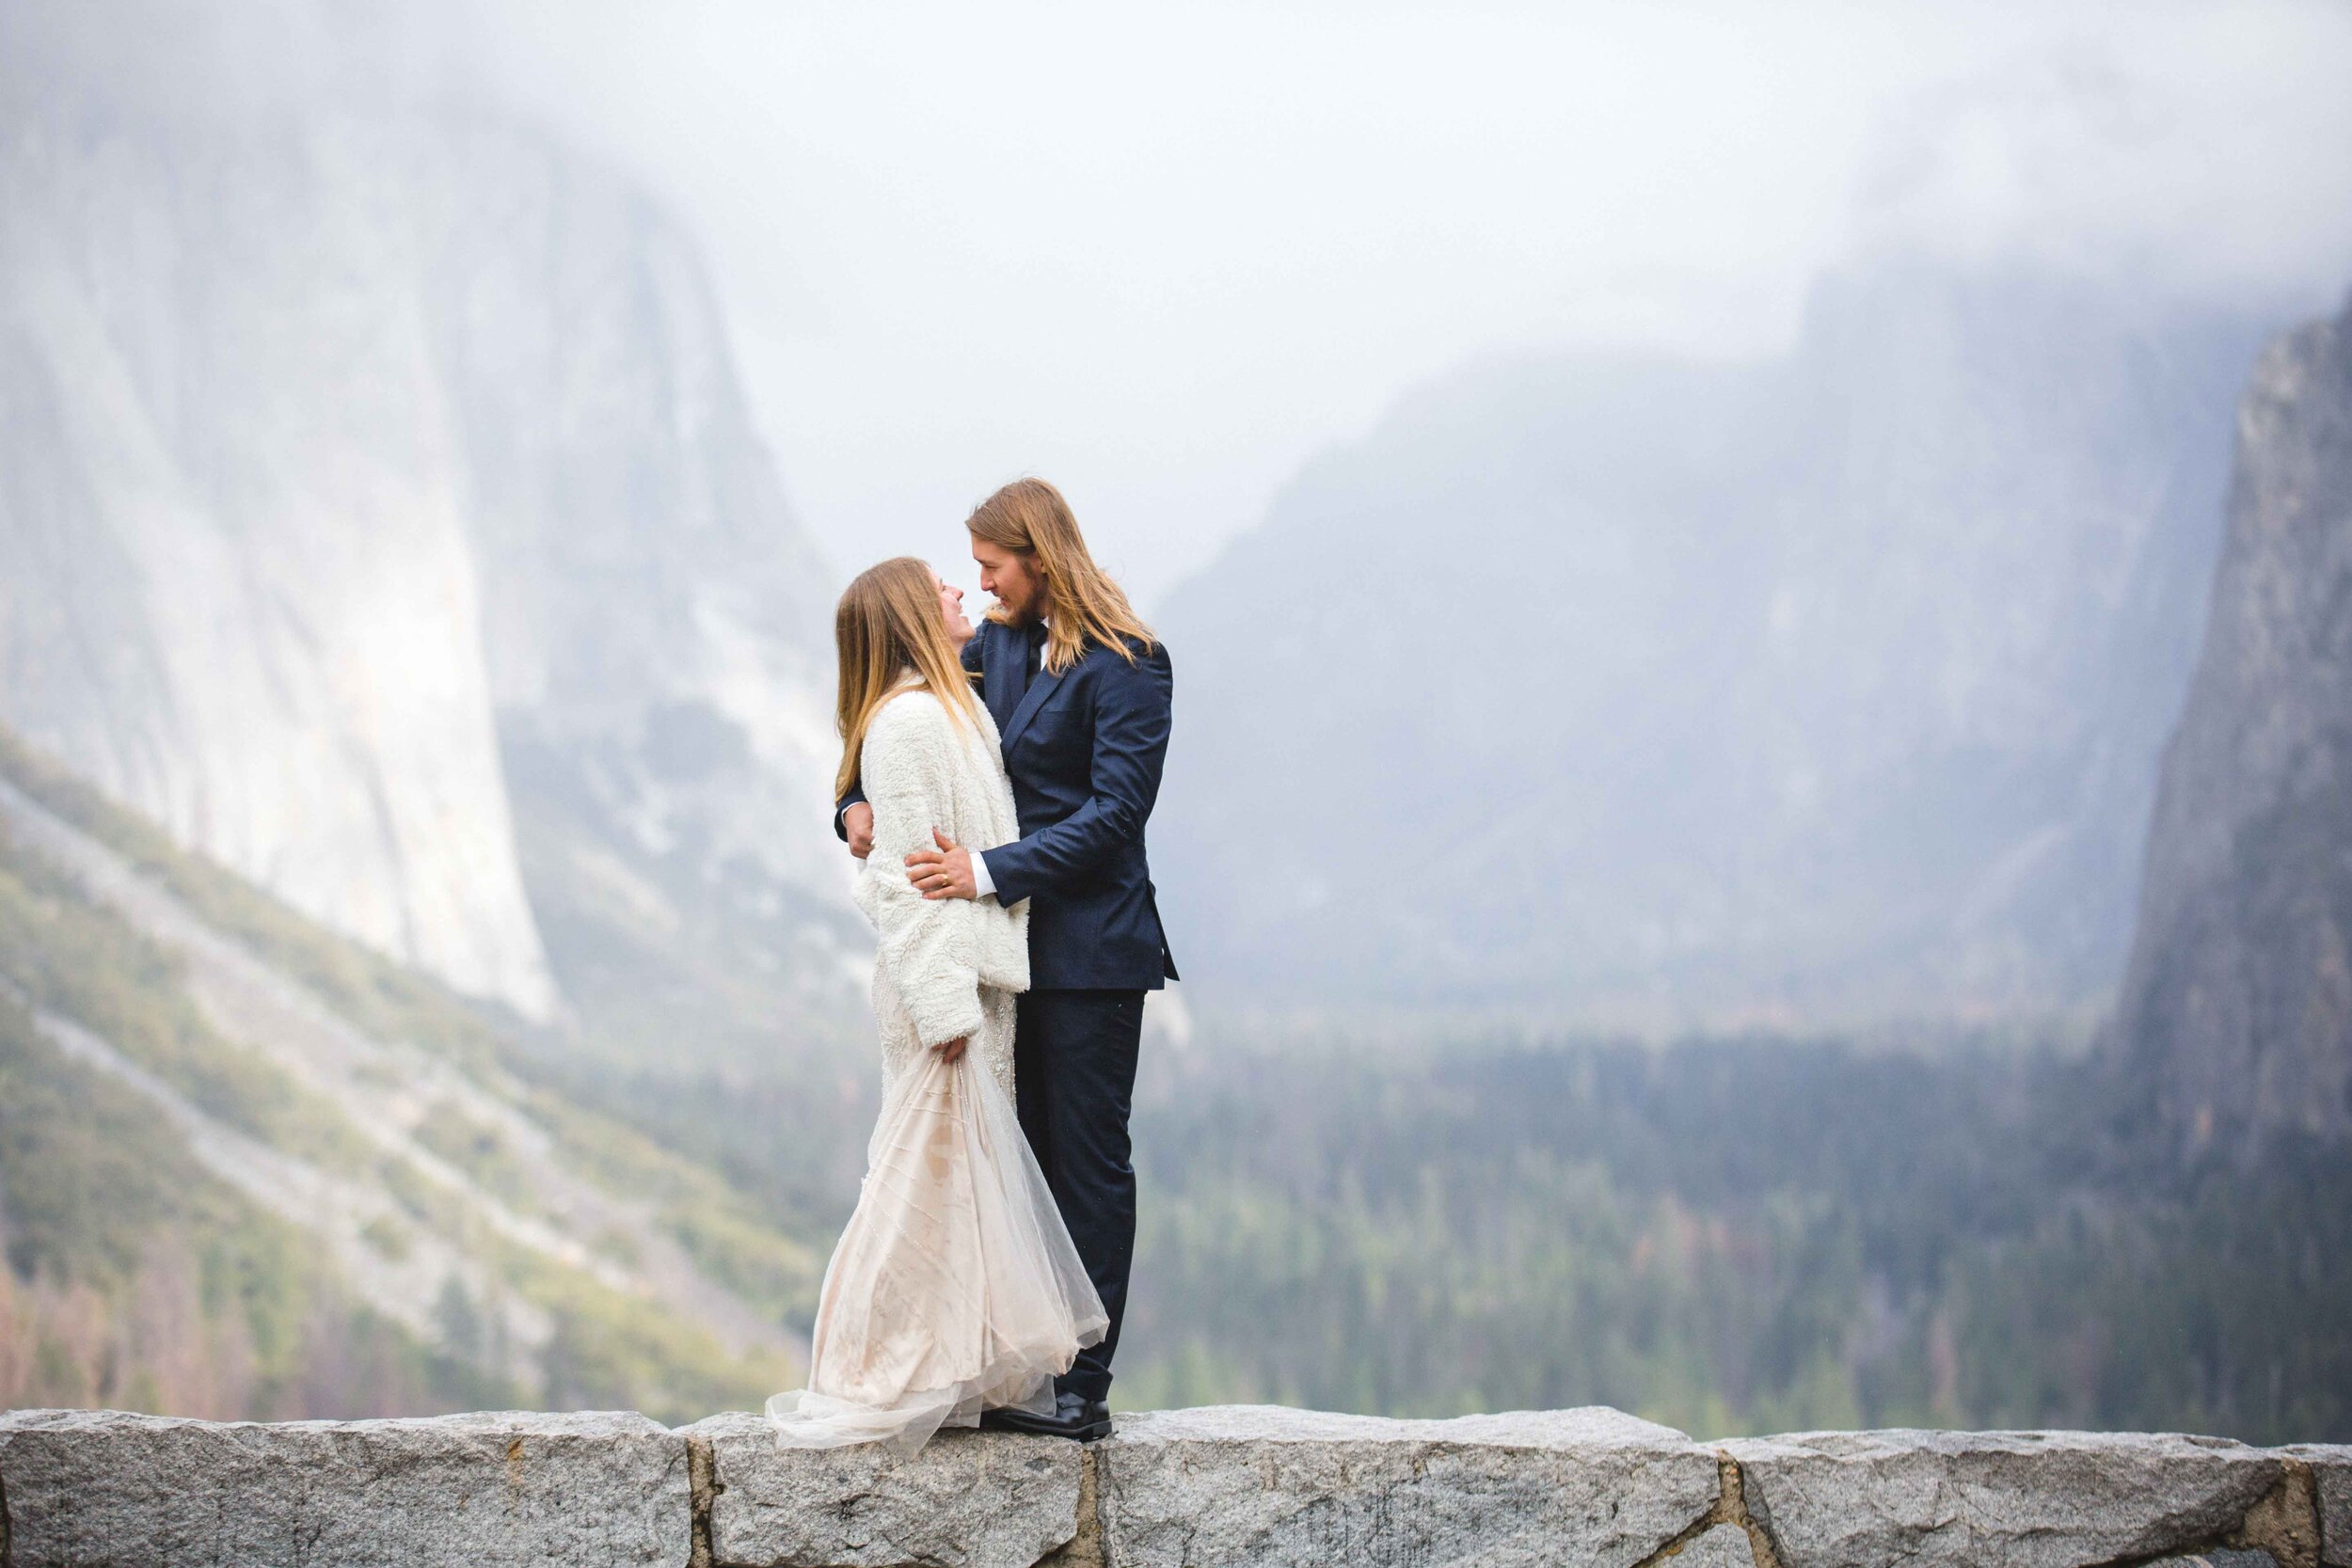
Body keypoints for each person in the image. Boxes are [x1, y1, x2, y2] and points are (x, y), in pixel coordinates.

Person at [836, 478, 1175, 1442]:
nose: (980, 584)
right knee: (1010, 1162)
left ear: (1038, 553)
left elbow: (1116, 817)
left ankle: (1083, 1387)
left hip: (1093, 953)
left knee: (1086, 1164)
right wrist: (849, 805)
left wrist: (982, 868)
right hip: (1005, 953)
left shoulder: (1132, 664)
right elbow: (901, 706)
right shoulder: (999, 647)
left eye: (991, 565)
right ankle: (1015, 1362)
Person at [767, 556, 1105, 1457]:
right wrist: (946, 1006)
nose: (963, 589)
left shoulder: (949, 700)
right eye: (943, 584)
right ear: (915, 611)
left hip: (975, 979)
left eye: (973, 574)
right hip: (945, 989)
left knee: (958, 1188)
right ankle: (870, 1376)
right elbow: (908, 880)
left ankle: (942, 1375)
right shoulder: (913, 722)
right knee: (918, 1182)